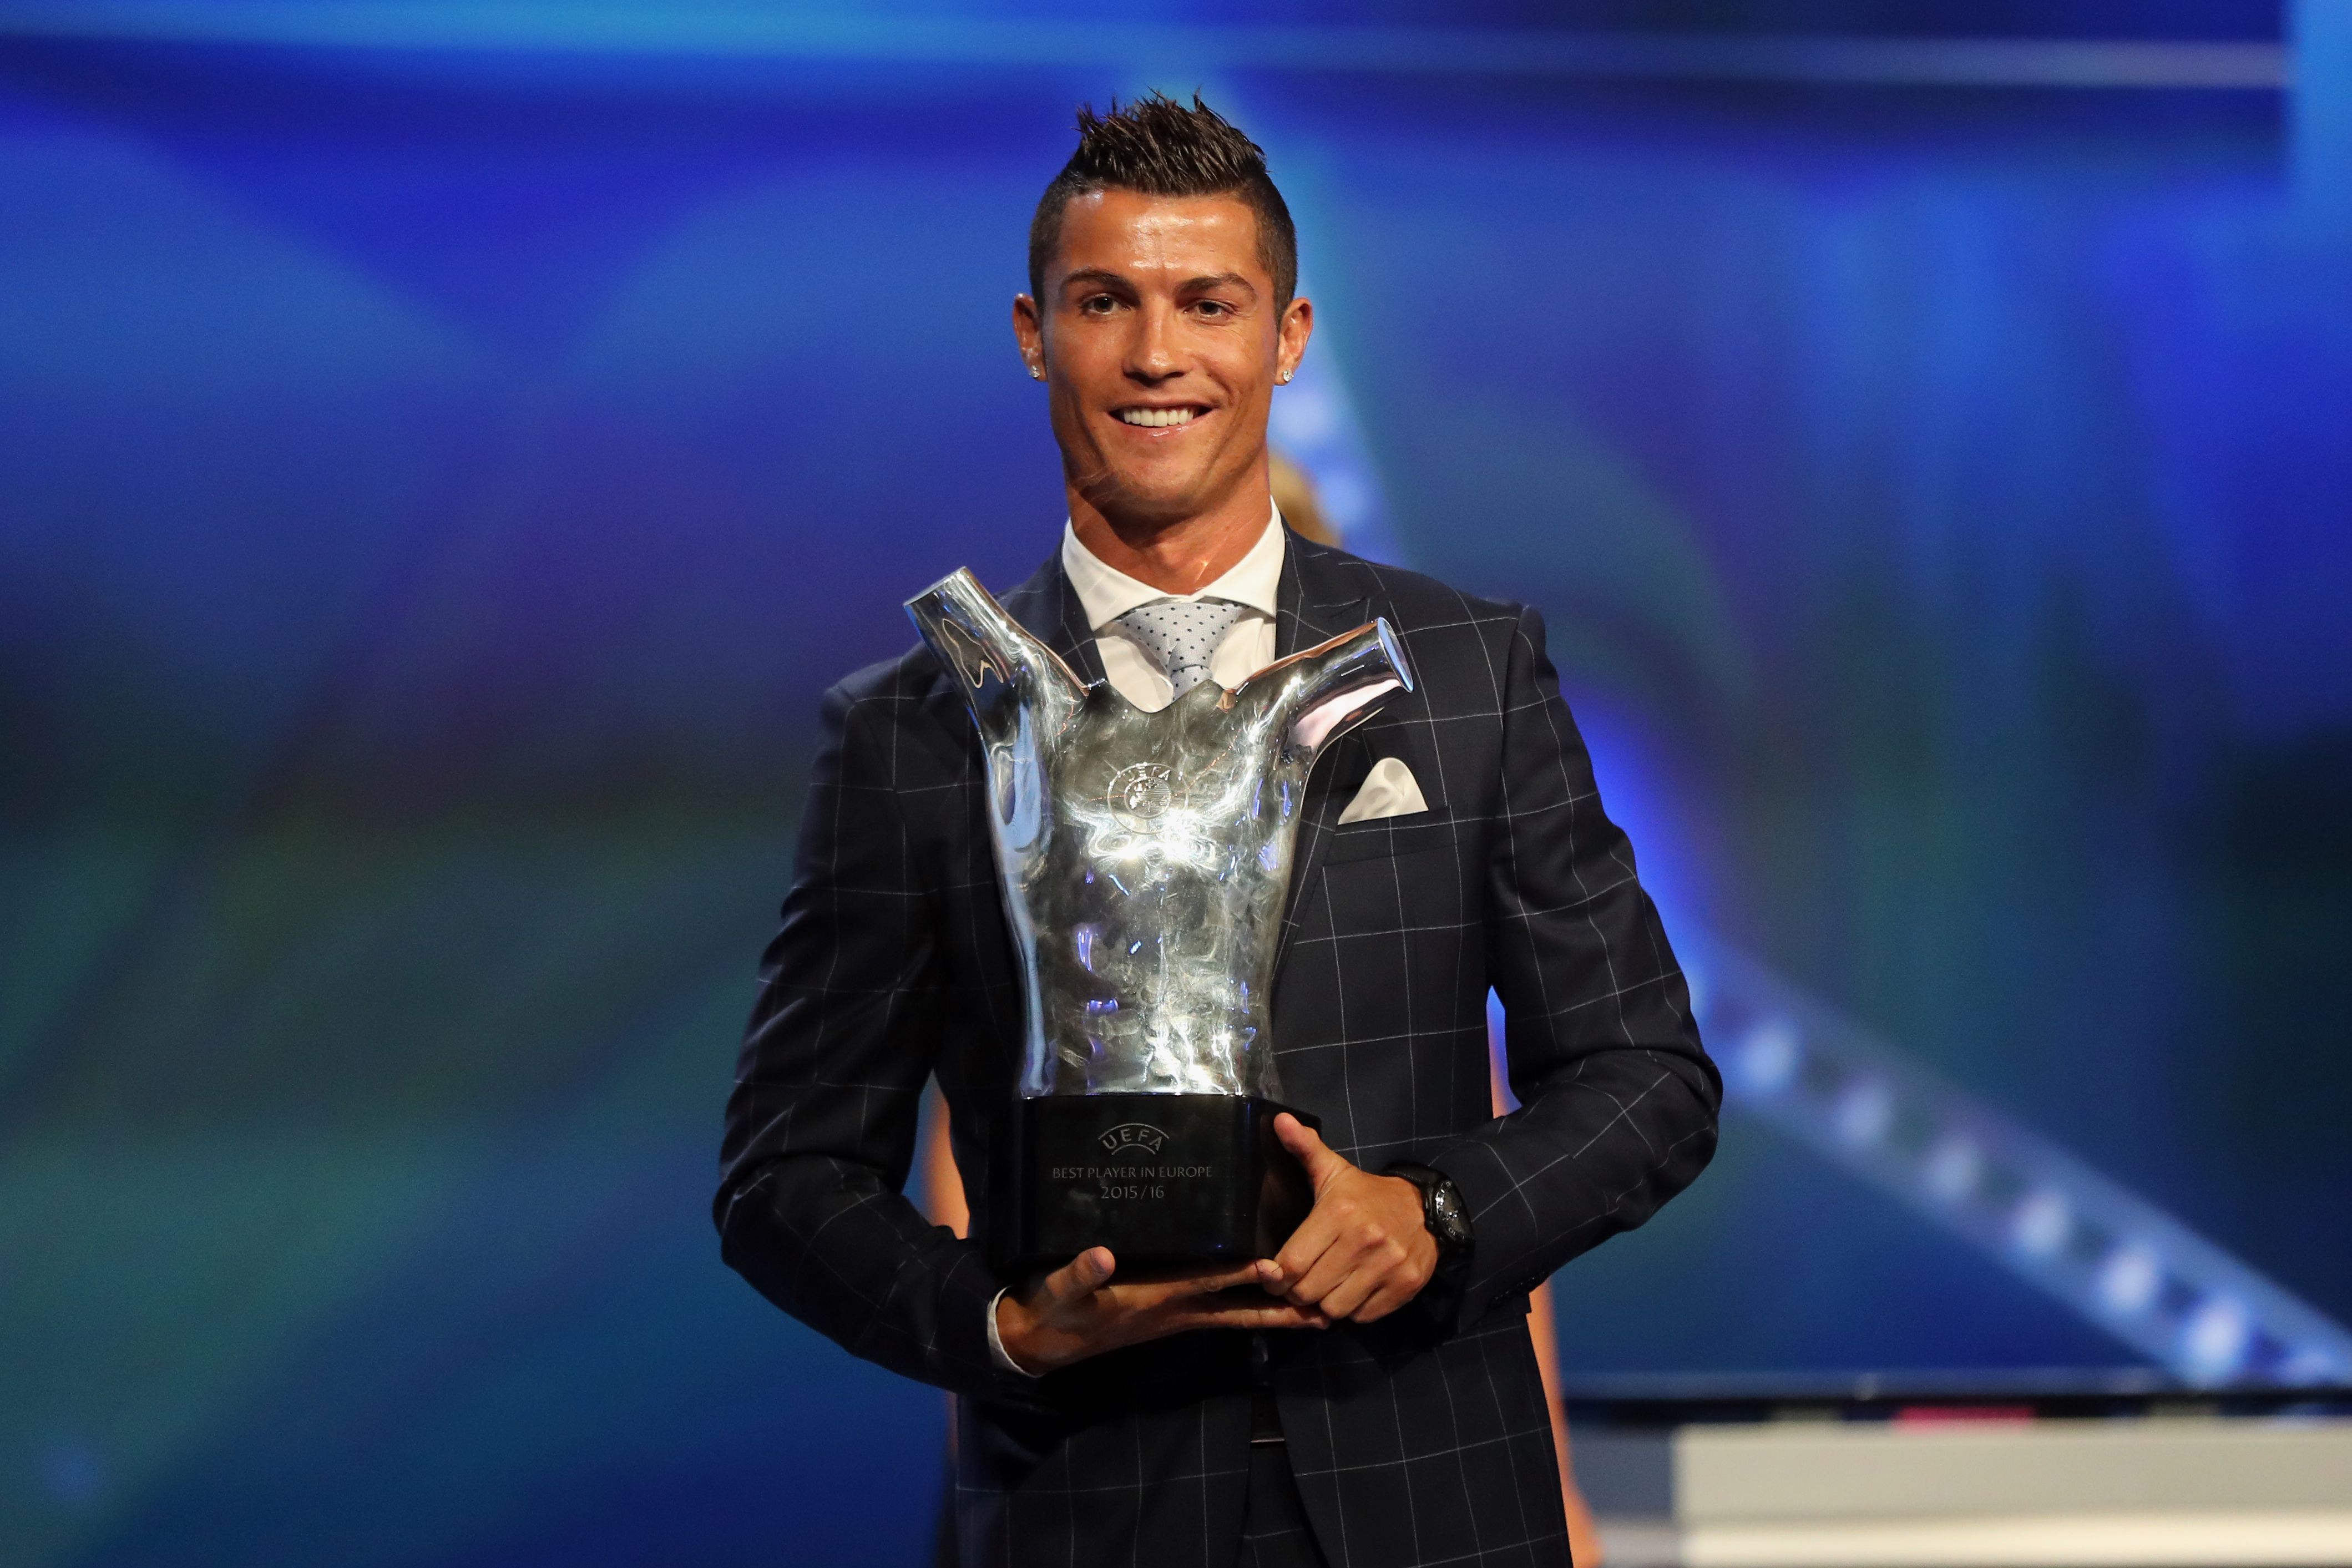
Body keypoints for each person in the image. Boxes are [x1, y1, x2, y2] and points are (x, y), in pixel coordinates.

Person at [716, 93, 1719, 1568]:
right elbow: (784, 1177)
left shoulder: (1465, 673)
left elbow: (1650, 1077)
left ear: (1289, 337)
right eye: (1105, 301)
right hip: (1084, 1508)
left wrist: (1437, 1211)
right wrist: (1000, 1325)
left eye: (1209, 302)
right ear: (1031, 330)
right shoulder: (910, 731)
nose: (1158, 352)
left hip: (1437, 1502)